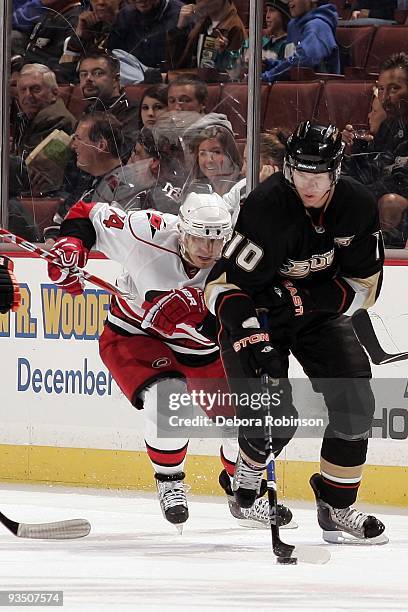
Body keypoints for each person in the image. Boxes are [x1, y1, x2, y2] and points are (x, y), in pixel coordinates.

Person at [46, 191, 293, 530]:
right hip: (137, 335)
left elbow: (260, 312)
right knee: (170, 399)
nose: (208, 251)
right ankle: (170, 481)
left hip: (205, 348)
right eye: (199, 239)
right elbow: (87, 213)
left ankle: (244, 492)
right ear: (181, 229)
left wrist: (197, 310)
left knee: (243, 420)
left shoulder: (241, 257)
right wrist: (71, 248)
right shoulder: (145, 232)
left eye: (217, 241)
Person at [204, 121, 388, 544]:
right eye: (300, 173)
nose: (308, 184)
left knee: (356, 398)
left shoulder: (357, 205)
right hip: (258, 312)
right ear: (288, 168)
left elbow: (367, 288)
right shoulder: (266, 206)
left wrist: (308, 301)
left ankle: (336, 505)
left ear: (336, 170)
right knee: (275, 416)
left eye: (318, 175)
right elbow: (224, 285)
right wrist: (250, 334)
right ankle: (245, 486)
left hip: (317, 315)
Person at [78, 53, 140, 159]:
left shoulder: (132, 111)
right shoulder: (89, 110)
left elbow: (122, 154)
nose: (88, 78)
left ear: (115, 80)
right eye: (83, 74)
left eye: (97, 73)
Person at [261, 0, 340, 82]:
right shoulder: (293, 26)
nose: (288, 1)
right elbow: (290, 63)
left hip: (314, 92)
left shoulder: (318, 26)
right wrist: (269, 63)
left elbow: (301, 63)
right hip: (294, 89)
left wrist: (267, 76)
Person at [166, 0, 246, 72]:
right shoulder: (202, 22)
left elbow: (233, 74)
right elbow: (176, 65)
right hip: (190, 81)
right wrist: (180, 27)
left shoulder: (235, 28)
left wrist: (223, 53)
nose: (199, 2)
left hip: (210, 85)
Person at [107, 0, 184, 70]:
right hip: (129, 76)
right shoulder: (125, 14)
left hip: (165, 78)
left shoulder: (180, 14)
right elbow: (111, 52)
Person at [22, 0, 82, 82]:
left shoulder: (75, 19)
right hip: (30, 73)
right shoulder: (52, 13)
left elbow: (67, 66)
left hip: (46, 82)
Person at [188, 124, 242, 196]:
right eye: (203, 153)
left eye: (216, 152)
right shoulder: (196, 189)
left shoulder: (243, 188)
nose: (209, 160)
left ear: (230, 154)